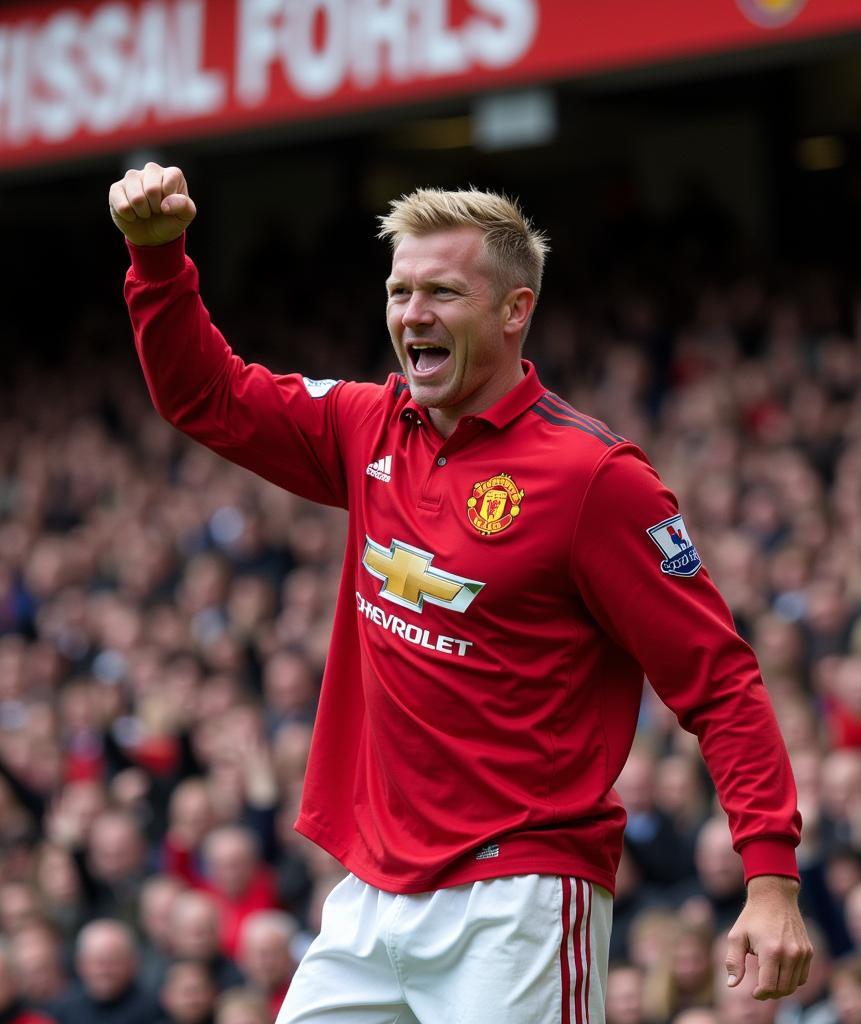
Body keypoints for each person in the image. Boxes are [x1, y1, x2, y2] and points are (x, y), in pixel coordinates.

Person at [109, 162, 812, 1022]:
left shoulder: (596, 478)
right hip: (372, 892)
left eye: (441, 291)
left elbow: (720, 679)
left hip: (518, 899)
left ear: (515, 311)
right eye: (400, 291)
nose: (412, 315)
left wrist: (771, 878)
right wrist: (157, 259)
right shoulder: (365, 424)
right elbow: (204, 395)